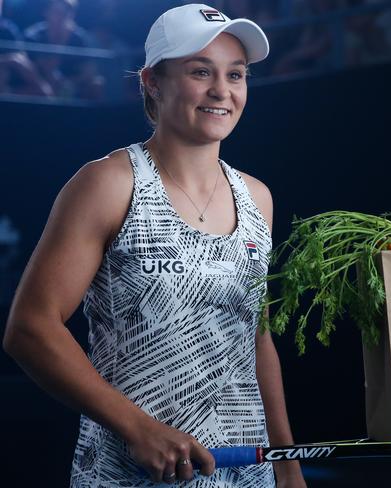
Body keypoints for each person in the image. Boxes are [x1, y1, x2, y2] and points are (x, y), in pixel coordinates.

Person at [3, 3, 307, 487]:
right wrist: (137, 427)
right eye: (199, 71)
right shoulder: (108, 184)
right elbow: (30, 329)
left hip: (245, 475)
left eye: (236, 74)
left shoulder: (258, 198)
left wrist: (288, 468)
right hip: (128, 476)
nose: (221, 91)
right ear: (152, 81)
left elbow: (256, 336)